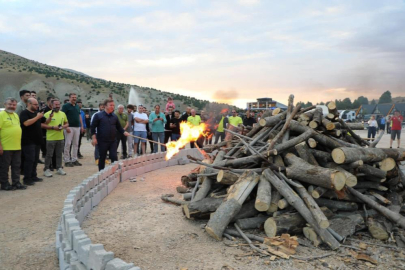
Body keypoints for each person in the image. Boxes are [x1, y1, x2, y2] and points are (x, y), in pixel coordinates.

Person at [91, 99, 130, 171]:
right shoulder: (98, 115)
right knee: (102, 157)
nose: (112, 107)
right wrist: (94, 138)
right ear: (105, 106)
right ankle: (101, 173)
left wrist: (124, 132)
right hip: (102, 140)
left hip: (112, 141)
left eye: (113, 105)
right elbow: (93, 127)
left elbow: (119, 127)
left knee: (114, 156)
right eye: (111, 105)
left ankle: (114, 172)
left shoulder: (114, 116)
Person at [0, 97, 26, 190]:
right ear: (5, 105)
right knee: (4, 166)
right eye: (9, 104)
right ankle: (4, 184)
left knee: (16, 166)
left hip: (16, 146)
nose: (12, 106)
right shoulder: (1, 115)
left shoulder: (15, 115)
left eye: (14, 105)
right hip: (6, 146)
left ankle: (16, 182)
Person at [20, 98, 44, 185]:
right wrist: (37, 117)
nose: (37, 106)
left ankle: (33, 175)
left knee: (35, 159)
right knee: (29, 159)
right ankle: (27, 178)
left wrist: (49, 118)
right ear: (29, 104)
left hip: (37, 140)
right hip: (28, 141)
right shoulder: (24, 113)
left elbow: (44, 122)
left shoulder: (36, 113)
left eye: (37, 104)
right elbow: (26, 123)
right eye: (35, 104)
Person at [42, 100, 68, 177]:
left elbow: (67, 123)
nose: (57, 106)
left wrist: (63, 127)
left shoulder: (63, 113)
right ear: (52, 105)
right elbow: (43, 125)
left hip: (60, 137)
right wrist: (53, 128)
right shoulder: (47, 114)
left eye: (59, 104)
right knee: (49, 154)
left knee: (59, 154)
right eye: (56, 104)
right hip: (50, 138)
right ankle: (46, 169)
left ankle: (59, 168)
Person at [62, 93, 84, 167]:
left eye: (75, 97)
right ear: (69, 98)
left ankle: (74, 159)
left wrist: (81, 126)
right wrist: (66, 127)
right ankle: (67, 160)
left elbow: (79, 115)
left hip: (77, 127)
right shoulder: (65, 106)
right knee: (68, 144)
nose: (74, 98)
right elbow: (63, 116)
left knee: (76, 144)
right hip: (69, 127)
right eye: (72, 97)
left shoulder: (77, 106)